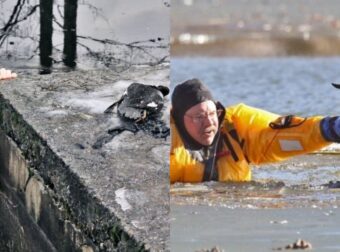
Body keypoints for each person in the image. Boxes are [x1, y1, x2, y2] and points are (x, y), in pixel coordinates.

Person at [170, 78, 339, 183]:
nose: (208, 123)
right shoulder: (166, 142)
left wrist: (330, 128)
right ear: (178, 120)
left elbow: (281, 135)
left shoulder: (234, 127)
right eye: (199, 117)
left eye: (212, 113)